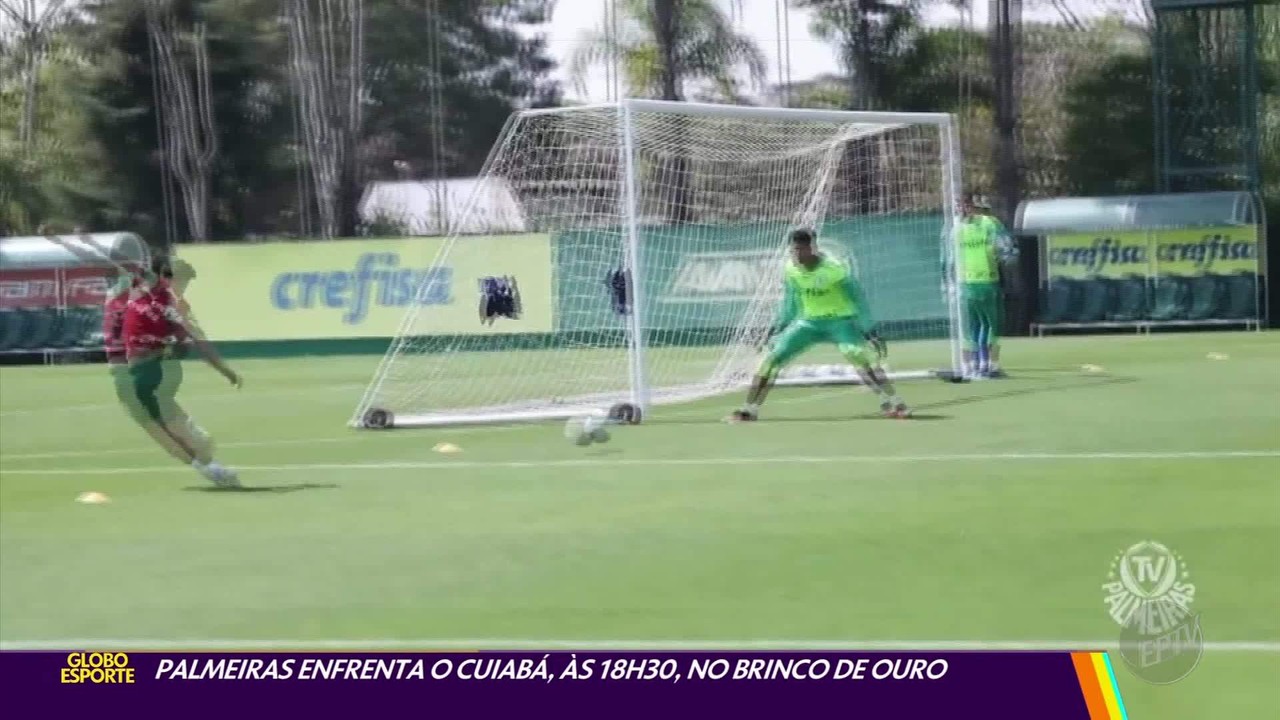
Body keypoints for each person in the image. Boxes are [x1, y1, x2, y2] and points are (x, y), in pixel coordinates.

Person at [727, 228, 910, 422]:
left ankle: (893, 401)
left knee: (856, 355)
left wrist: (869, 330)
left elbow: (858, 299)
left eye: (801, 250)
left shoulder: (835, 270)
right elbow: (790, 302)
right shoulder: (791, 269)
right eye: (793, 250)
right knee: (771, 360)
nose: (796, 254)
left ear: (812, 248)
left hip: (840, 323)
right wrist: (777, 329)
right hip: (808, 324)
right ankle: (749, 409)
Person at [123, 253, 243, 486]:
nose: (183, 286)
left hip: (151, 376)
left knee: (193, 440)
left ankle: (210, 469)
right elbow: (197, 341)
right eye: (179, 279)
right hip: (143, 376)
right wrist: (225, 371)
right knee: (196, 440)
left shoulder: (161, 300)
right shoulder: (156, 299)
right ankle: (214, 472)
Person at [947, 194, 1018, 379]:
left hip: (964, 284)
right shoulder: (990, 223)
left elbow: (948, 260)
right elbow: (1007, 250)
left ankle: (971, 365)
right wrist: (1008, 260)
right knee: (991, 325)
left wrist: (949, 285)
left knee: (972, 327)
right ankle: (990, 365)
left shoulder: (955, 229)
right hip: (986, 281)